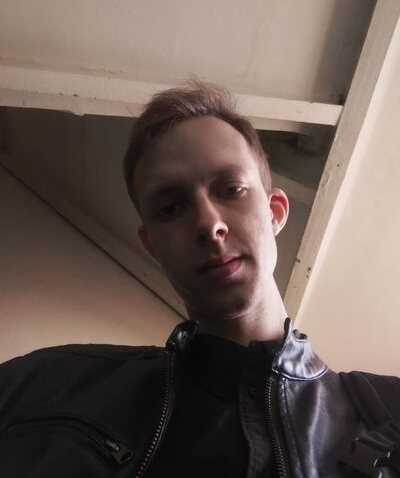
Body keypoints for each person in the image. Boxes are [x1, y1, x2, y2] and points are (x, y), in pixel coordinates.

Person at [0, 81, 399, 477]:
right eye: (171, 207)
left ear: (275, 212)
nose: (209, 224)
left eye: (231, 189)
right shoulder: (42, 386)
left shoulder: (391, 413)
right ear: (152, 244)